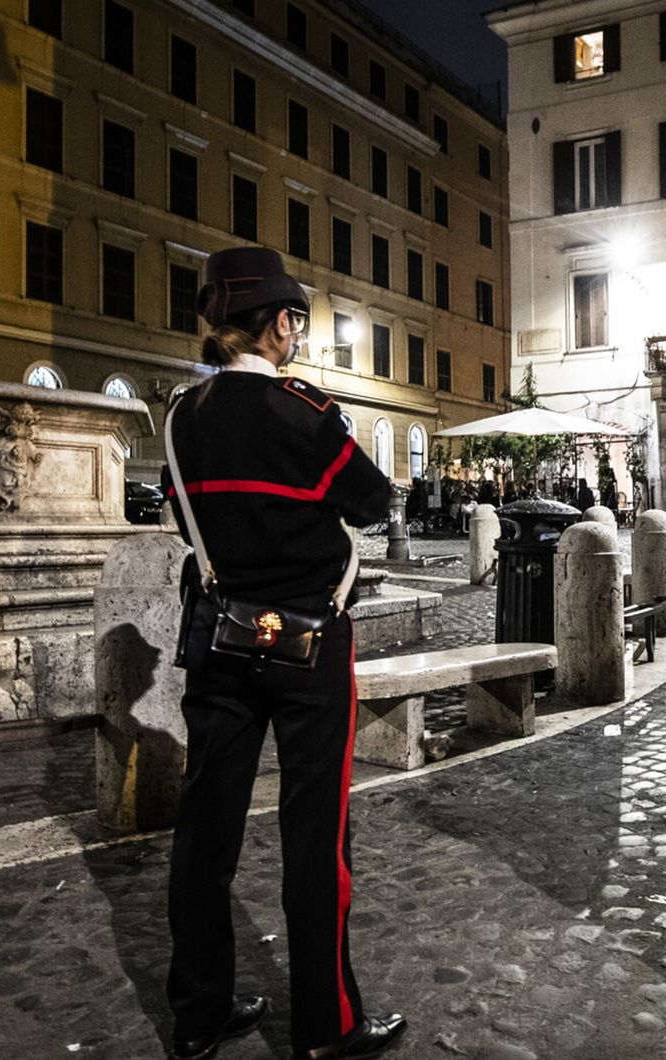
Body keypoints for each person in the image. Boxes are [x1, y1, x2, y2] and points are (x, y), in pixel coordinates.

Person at [164, 247, 405, 1060]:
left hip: (219, 639)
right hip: (307, 640)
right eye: (294, 318)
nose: (298, 334)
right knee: (314, 835)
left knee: (205, 830)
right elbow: (372, 503)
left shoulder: (181, 418)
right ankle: (325, 1025)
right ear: (276, 324)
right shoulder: (304, 412)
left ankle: (198, 1012)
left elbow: (179, 519)